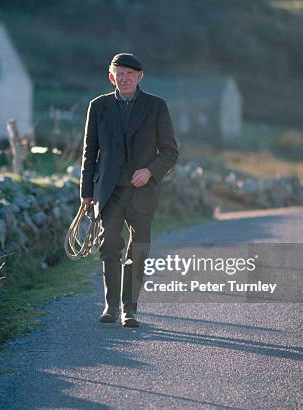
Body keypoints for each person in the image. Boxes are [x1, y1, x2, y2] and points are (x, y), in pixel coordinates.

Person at [79, 52, 179, 327]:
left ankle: (129, 309)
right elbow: (90, 153)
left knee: (139, 251)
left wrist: (150, 172)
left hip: (142, 192)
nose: (124, 78)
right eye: (119, 74)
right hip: (108, 192)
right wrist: (86, 193)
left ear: (139, 76)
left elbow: (170, 152)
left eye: (129, 74)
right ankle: (111, 306)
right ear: (112, 77)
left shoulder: (157, 106)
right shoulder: (97, 106)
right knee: (109, 245)